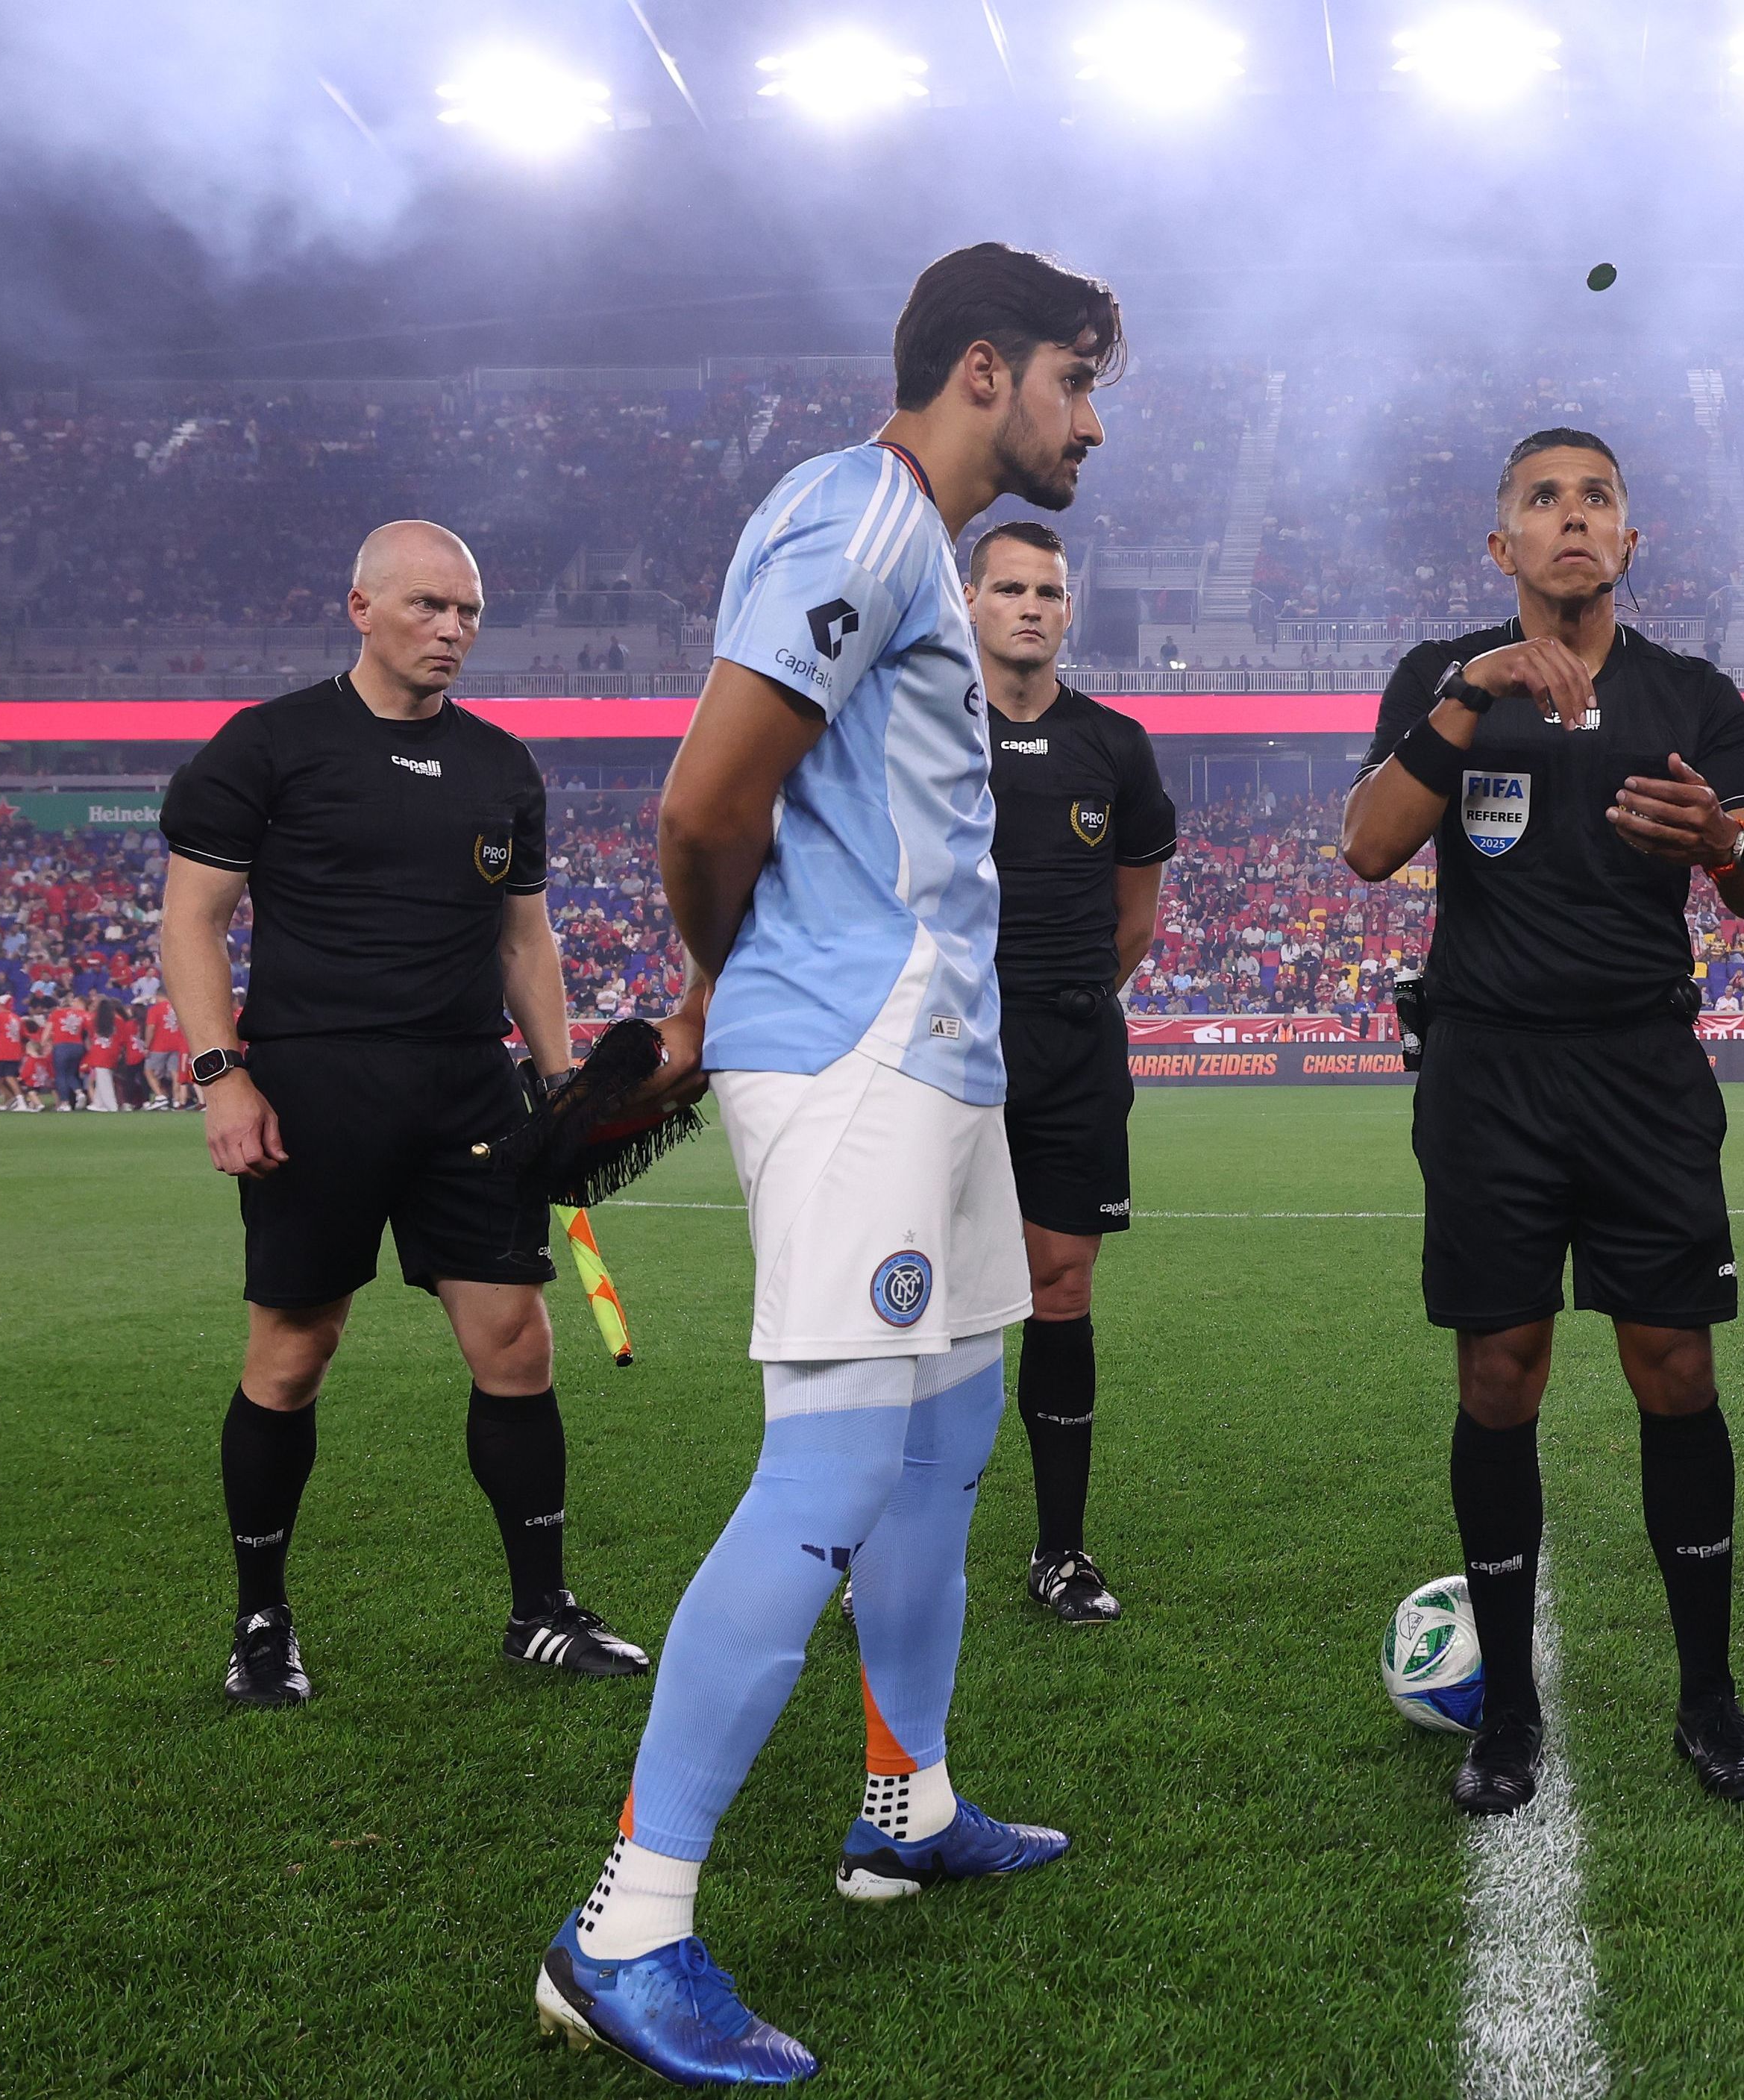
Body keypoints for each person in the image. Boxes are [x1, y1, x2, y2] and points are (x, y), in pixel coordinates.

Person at [536, 242, 1120, 2087]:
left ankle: (906, 1799)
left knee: (949, 1438)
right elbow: (707, 800)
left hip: (937, 1056)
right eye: (1075, 383)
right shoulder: (860, 515)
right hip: (854, 1048)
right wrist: (718, 990)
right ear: (982, 372)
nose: (1091, 422)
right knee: (837, 1462)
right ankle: (625, 1927)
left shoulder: (911, 551)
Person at [1337, 427, 1744, 1820]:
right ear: (1504, 547)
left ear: (1629, 538)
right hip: (1488, 1071)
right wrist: (1471, 696)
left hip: (1645, 1068)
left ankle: (1709, 1696)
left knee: (1676, 1371)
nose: (1573, 517)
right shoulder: (1445, 678)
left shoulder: (1690, 694)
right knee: (1501, 1378)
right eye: (1543, 500)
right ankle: (1512, 1713)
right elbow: (1367, 847)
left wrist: (1722, 843)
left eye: (1598, 496)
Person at [158, 517, 650, 1714]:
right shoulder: (268, 745)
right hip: (313, 1086)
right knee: (294, 1353)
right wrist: (223, 1076)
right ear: (361, 607)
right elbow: (191, 920)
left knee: (518, 1344)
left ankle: (540, 1610)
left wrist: (563, 1088)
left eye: (469, 612)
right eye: (429, 606)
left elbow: (523, 936)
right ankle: (261, 1625)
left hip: (467, 1089)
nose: (452, 630)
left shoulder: (501, 765)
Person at [963, 519, 1176, 1623]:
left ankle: (1060, 1551)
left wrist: (1067, 993)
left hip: (1071, 1049)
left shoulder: (1118, 747)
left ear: (1068, 608)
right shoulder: (924, 733)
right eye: (1009, 587)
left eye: (1049, 589)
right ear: (970, 602)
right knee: (928, 1305)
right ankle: (901, 1550)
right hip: (944, 1051)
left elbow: (1131, 918)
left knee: (1061, 1288)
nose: (1031, 606)